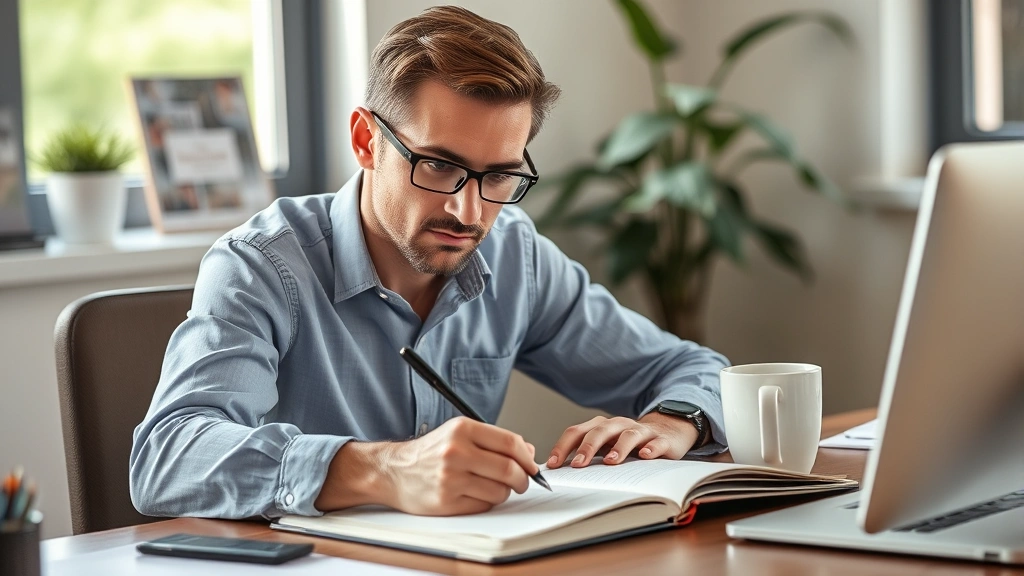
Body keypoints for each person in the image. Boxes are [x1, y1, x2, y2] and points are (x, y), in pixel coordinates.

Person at [130, 5, 729, 520]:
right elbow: (168, 456)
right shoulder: (261, 265)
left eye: (498, 175)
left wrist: (672, 425)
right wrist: (385, 469)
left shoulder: (513, 252)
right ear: (366, 141)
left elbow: (691, 366)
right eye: (438, 165)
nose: (466, 210)